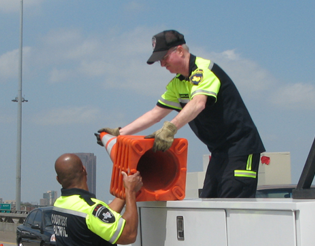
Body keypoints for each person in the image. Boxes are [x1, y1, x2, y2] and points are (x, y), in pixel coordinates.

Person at [99, 29, 265, 198]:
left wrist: (170, 129)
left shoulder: (204, 70)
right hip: (218, 152)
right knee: (209, 202)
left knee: (233, 206)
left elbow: (198, 103)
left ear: (179, 50)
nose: (162, 64)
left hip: (241, 148)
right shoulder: (177, 84)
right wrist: (119, 133)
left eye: (164, 58)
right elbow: (155, 114)